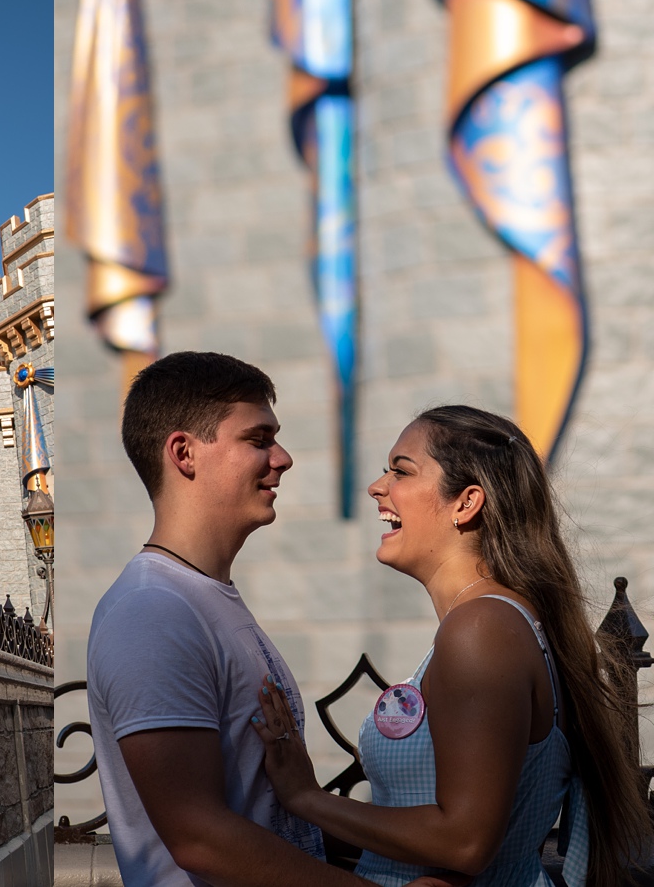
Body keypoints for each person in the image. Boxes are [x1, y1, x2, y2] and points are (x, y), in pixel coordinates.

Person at [86, 351, 456, 887]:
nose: (281, 458)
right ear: (184, 453)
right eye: (258, 440)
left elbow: (262, 815)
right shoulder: (152, 611)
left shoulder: (200, 597)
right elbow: (199, 835)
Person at [252, 405, 653, 886]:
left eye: (401, 471)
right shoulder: (492, 623)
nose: (378, 487)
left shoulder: (481, 629)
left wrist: (306, 798)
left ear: (466, 503)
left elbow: (465, 842)